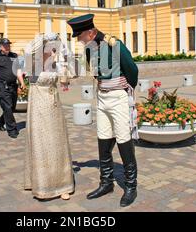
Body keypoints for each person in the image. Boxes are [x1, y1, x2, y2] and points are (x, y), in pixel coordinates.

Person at [67, 14, 139, 207]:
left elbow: (132, 70)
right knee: (103, 137)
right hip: (102, 97)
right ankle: (106, 182)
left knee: (123, 138)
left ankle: (131, 186)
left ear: (90, 32)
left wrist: (123, 89)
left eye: (81, 36)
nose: (80, 40)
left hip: (117, 97)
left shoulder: (114, 44)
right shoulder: (91, 49)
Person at [23, 33, 75, 201]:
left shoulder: (54, 62)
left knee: (57, 143)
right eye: (49, 45)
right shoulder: (32, 63)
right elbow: (29, 48)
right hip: (38, 108)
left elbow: (65, 81)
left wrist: (63, 61)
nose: (52, 49)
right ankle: (41, 183)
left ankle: (62, 184)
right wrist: (46, 35)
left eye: (54, 46)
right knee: (41, 143)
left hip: (54, 107)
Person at [0, 38, 26, 138]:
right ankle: (12, 130)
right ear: (1, 46)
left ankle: (0, 121)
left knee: (11, 108)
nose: (7, 47)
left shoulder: (14, 56)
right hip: (2, 86)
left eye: (9, 45)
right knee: (8, 107)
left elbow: (18, 70)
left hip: (13, 85)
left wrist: (21, 83)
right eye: (5, 45)